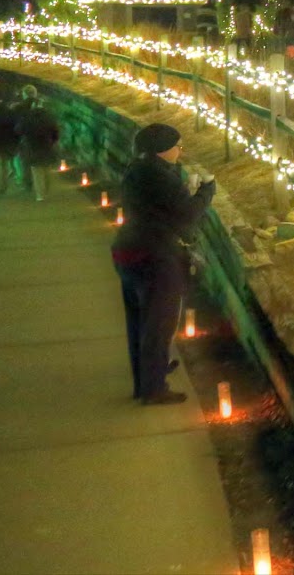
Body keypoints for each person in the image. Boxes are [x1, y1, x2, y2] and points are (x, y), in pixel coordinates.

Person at [114, 123, 215, 404]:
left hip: (130, 249)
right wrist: (207, 190)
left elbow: (164, 206)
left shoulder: (139, 169)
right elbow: (188, 213)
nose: (180, 151)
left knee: (140, 320)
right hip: (154, 255)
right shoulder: (157, 176)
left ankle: (148, 372)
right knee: (159, 323)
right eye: (177, 146)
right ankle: (153, 388)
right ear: (161, 149)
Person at [16, 91, 62, 201]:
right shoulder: (49, 117)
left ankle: (40, 195)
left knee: (36, 171)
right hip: (47, 145)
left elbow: (19, 130)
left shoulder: (27, 117)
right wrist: (54, 141)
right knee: (46, 169)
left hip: (32, 146)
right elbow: (55, 131)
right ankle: (45, 188)